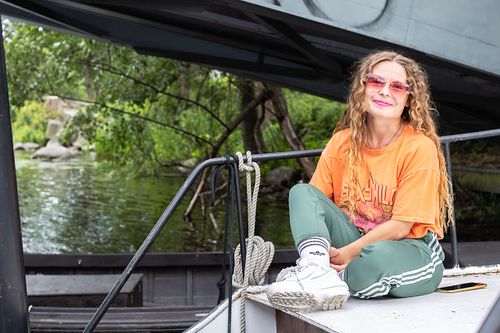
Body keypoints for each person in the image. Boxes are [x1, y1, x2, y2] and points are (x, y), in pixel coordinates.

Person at [266, 50, 454, 312]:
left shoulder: (418, 147)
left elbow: (401, 226)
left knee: (371, 262)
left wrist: (348, 253)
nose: (385, 91)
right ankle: (316, 270)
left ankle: (329, 277)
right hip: (353, 239)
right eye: (376, 82)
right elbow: (314, 204)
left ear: (410, 99)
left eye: (398, 86)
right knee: (301, 192)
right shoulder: (342, 141)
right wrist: (330, 252)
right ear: (363, 88)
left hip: (410, 250)